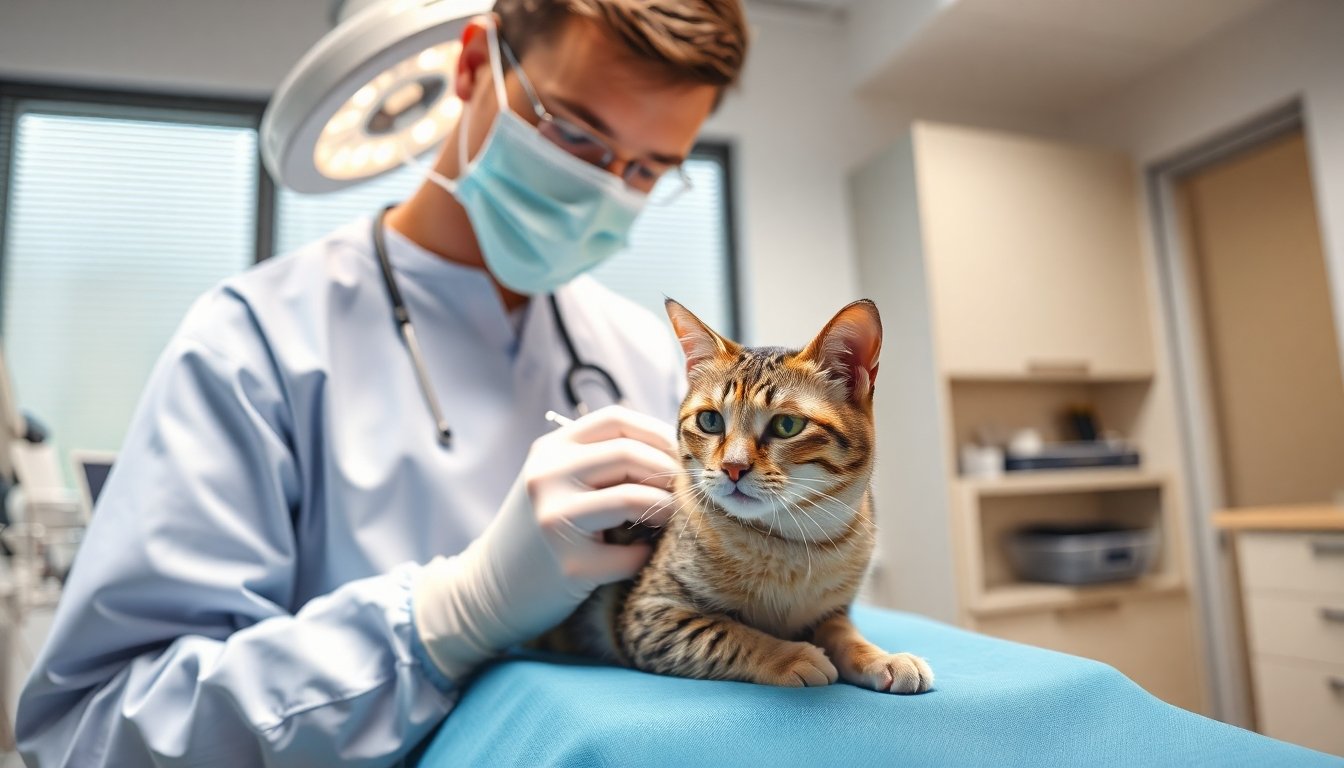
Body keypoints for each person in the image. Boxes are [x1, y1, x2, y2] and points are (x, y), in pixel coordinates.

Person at [15, 1, 749, 764]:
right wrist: (448, 617)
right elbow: (92, 732)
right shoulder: (257, 340)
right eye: (572, 134)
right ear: (471, 68)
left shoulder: (642, 354)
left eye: (649, 170)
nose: (606, 189)